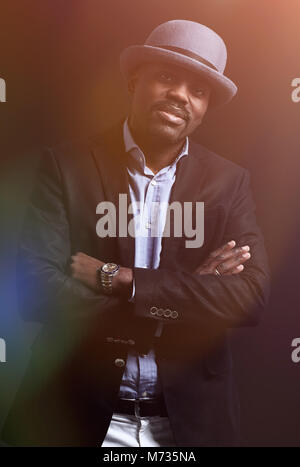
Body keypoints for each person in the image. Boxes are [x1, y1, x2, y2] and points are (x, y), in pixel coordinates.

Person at [2, 20, 270, 447]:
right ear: (133, 81)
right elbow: (39, 284)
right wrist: (180, 306)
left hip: (189, 425)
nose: (180, 96)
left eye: (198, 90)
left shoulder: (229, 182)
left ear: (205, 108)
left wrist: (123, 280)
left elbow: (250, 295)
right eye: (167, 77)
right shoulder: (65, 166)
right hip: (81, 417)